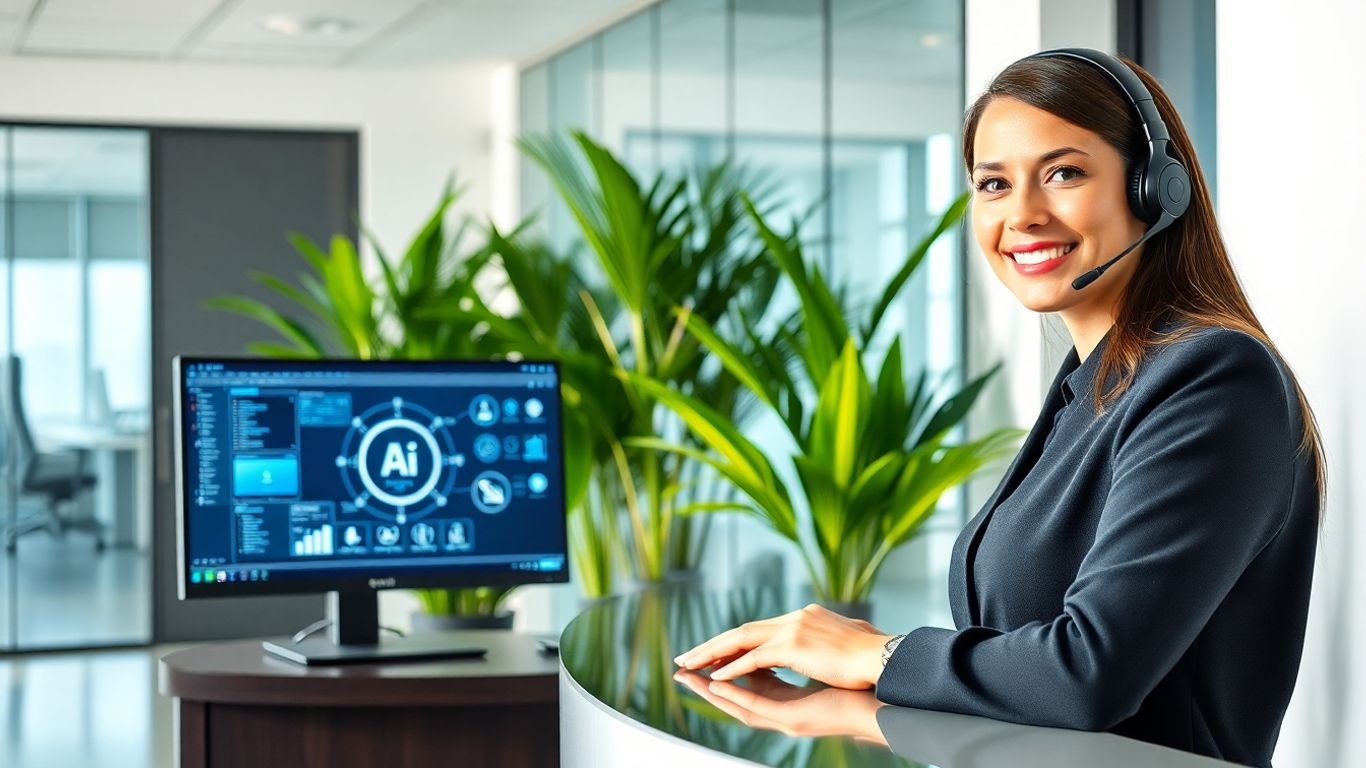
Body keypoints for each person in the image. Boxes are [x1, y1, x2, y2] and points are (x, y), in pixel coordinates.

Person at [674, 48, 1326, 768]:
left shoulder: (1213, 376)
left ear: (1153, 189)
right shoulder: (1091, 384)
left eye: (1064, 173)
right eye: (993, 183)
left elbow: (1088, 675)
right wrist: (854, 702)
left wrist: (871, 652)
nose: (1022, 215)